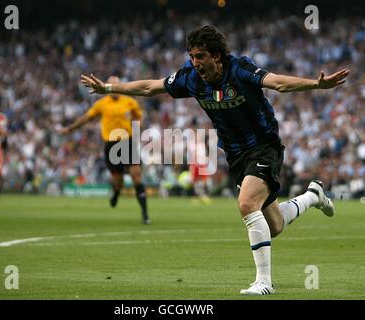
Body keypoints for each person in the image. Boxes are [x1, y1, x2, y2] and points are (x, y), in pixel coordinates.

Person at [80, 25, 349, 295]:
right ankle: (313, 196)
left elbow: (277, 82)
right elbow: (151, 87)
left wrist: (316, 84)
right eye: (192, 56)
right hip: (235, 155)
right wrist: (109, 87)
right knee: (273, 225)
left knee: (246, 204)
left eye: (200, 56)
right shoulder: (190, 78)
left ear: (217, 56)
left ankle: (264, 282)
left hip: (264, 146)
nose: (195, 62)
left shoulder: (239, 69)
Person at [60, 76, 151, 225]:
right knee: (119, 182)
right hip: (111, 145)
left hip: (127, 142)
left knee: (136, 176)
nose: (114, 87)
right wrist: (70, 129)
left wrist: (137, 128)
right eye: (112, 84)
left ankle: (145, 214)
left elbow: (139, 117)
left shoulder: (130, 102)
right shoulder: (101, 104)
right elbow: (86, 118)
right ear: (107, 86)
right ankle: (116, 193)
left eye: (117, 84)